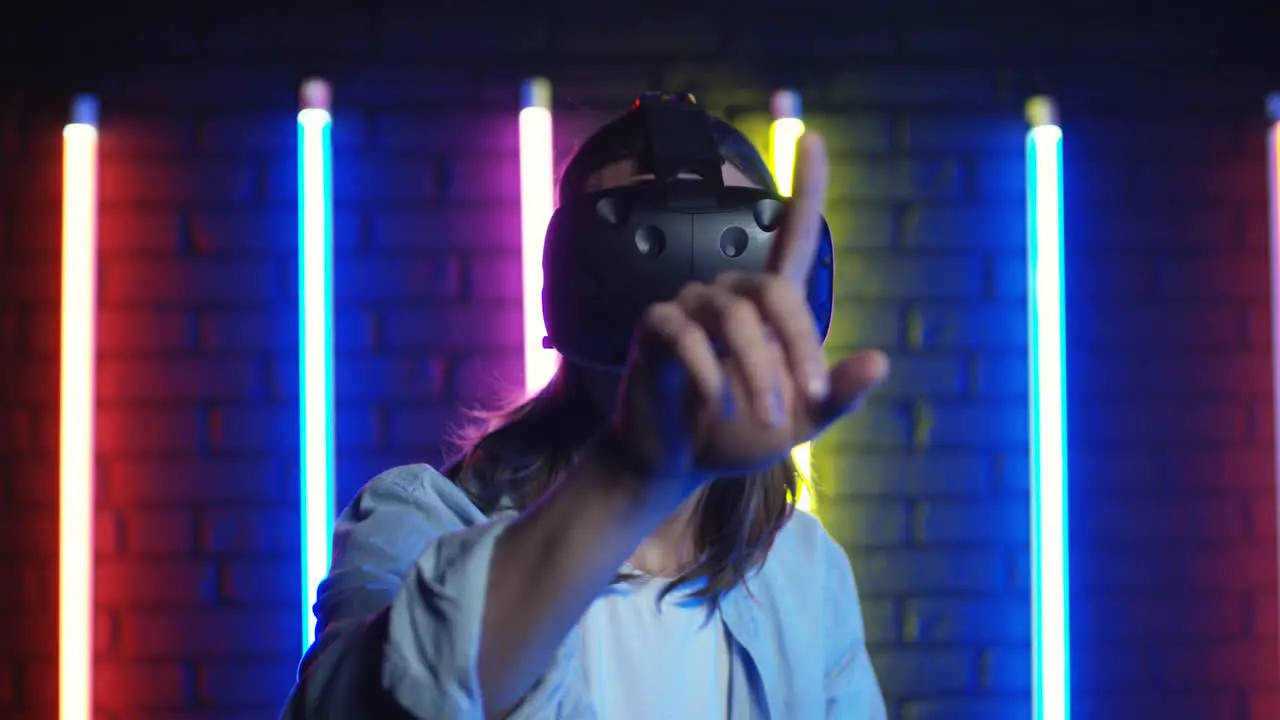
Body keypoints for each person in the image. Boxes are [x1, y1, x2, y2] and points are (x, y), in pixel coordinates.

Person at [281, 93, 891, 719]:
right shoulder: (420, 519)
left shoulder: (801, 569)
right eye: (640, 261)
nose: (679, 322)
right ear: (570, 292)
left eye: (720, 269)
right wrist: (632, 474)